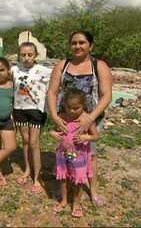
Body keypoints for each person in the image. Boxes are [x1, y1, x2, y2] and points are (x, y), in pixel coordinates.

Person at [47, 30, 112, 206]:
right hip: (66, 120)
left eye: (82, 42)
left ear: (90, 45)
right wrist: (54, 115)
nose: (77, 46)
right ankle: (66, 184)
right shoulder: (63, 65)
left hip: (92, 119)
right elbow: (52, 92)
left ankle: (94, 191)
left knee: (90, 156)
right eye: (74, 43)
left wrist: (90, 118)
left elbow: (106, 95)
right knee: (67, 151)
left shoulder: (99, 66)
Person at [50, 88, 100, 218]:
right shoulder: (61, 116)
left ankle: (77, 203)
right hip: (63, 154)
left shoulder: (87, 119)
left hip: (80, 156)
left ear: (83, 105)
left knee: (78, 180)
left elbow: (96, 136)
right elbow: (52, 130)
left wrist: (85, 137)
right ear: (64, 105)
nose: (72, 111)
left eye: (76, 108)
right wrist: (54, 133)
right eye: (69, 108)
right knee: (63, 178)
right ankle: (64, 200)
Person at [12, 41, 52, 194]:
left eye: (30, 54)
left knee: (34, 143)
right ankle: (27, 170)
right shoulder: (14, 70)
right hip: (19, 109)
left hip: (36, 110)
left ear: (36, 55)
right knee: (26, 141)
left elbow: (57, 86)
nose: (26, 58)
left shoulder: (44, 71)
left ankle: (37, 177)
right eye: (23, 55)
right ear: (19, 56)